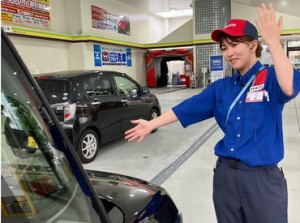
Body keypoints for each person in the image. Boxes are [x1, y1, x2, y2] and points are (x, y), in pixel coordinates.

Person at [125, 3, 300, 223]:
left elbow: (290, 87)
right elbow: (187, 108)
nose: (228, 53)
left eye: (234, 44)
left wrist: (274, 42)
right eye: (224, 48)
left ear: (253, 45)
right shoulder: (222, 88)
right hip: (226, 177)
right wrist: (152, 124)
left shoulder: (270, 78)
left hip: (261, 180)